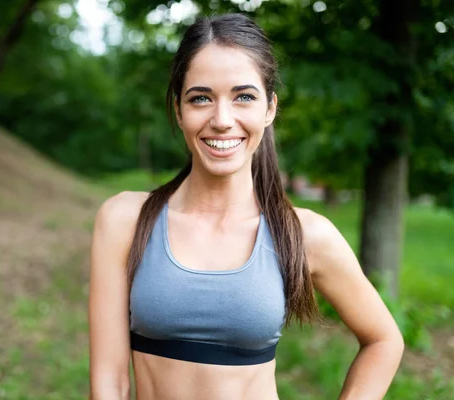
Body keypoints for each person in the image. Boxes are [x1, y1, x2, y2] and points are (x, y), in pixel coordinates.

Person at [88, 13, 404, 400]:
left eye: (244, 97)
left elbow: (384, 340)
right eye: (201, 98)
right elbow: (110, 382)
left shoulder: (303, 234)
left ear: (269, 109)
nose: (222, 120)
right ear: (178, 110)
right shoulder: (125, 220)